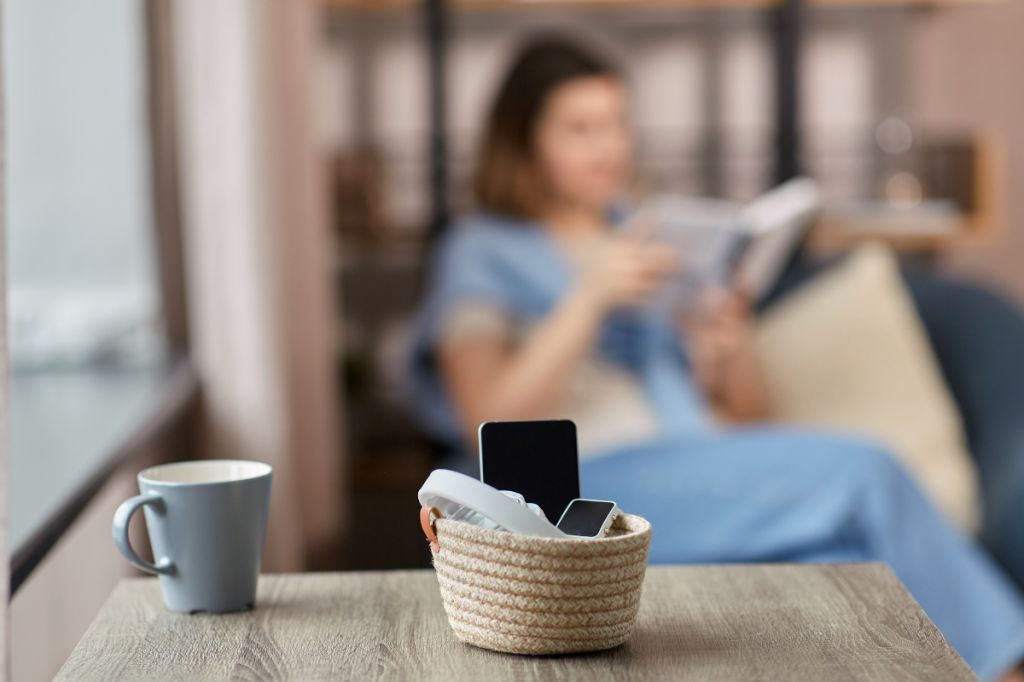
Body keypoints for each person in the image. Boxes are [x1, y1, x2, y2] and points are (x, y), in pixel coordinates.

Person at [405, 37, 1024, 681]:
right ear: (526, 140)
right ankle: (1008, 669)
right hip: (583, 492)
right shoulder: (481, 251)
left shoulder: (646, 232)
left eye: (617, 124)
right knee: (866, 470)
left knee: (841, 557)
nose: (608, 148)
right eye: (580, 129)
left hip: (694, 463)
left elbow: (751, 417)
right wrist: (588, 300)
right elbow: (483, 412)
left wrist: (726, 350)